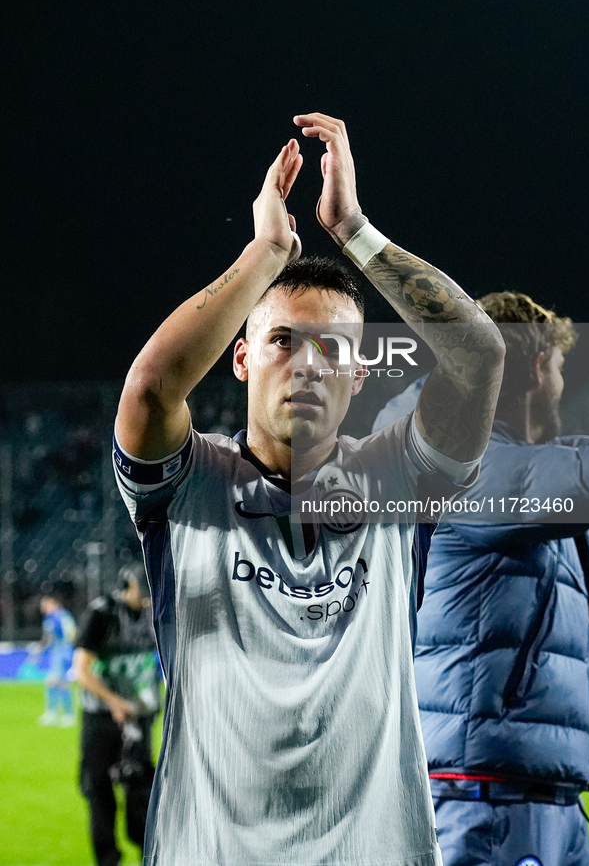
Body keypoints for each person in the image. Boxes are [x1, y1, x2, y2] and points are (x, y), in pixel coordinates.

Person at [113, 112, 504, 866]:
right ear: (240, 360)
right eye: (282, 340)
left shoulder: (396, 476)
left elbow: (481, 356)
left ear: (360, 374)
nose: (308, 363)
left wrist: (353, 231)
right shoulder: (188, 482)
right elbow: (153, 386)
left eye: (334, 348)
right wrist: (264, 255)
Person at [373, 292, 589, 866]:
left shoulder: (526, 469)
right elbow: (556, 482)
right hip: (474, 796)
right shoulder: (453, 461)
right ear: (539, 367)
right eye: (562, 368)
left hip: (541, 792)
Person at [73, 568, 161, 866]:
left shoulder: (157, 609)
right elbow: (81, 670)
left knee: (142, 792)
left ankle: (148, 854)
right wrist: (114, 701)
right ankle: (108, 859)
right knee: (99, 791)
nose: (148, 600)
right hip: (101, 719)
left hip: (139, 718)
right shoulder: (103, 613)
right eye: (142, 592)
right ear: (127, 586)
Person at [35, 593, 77, 726]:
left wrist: (70, 652)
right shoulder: (51, 618)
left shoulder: (61, 616)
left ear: (53, 603)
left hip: (63, 653)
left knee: (59, 683)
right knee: (53, 682)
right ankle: (54, 714)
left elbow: (71, 634)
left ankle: (68, 715)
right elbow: (49, 638)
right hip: (57, 653)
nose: (43, 608)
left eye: (45, 604)